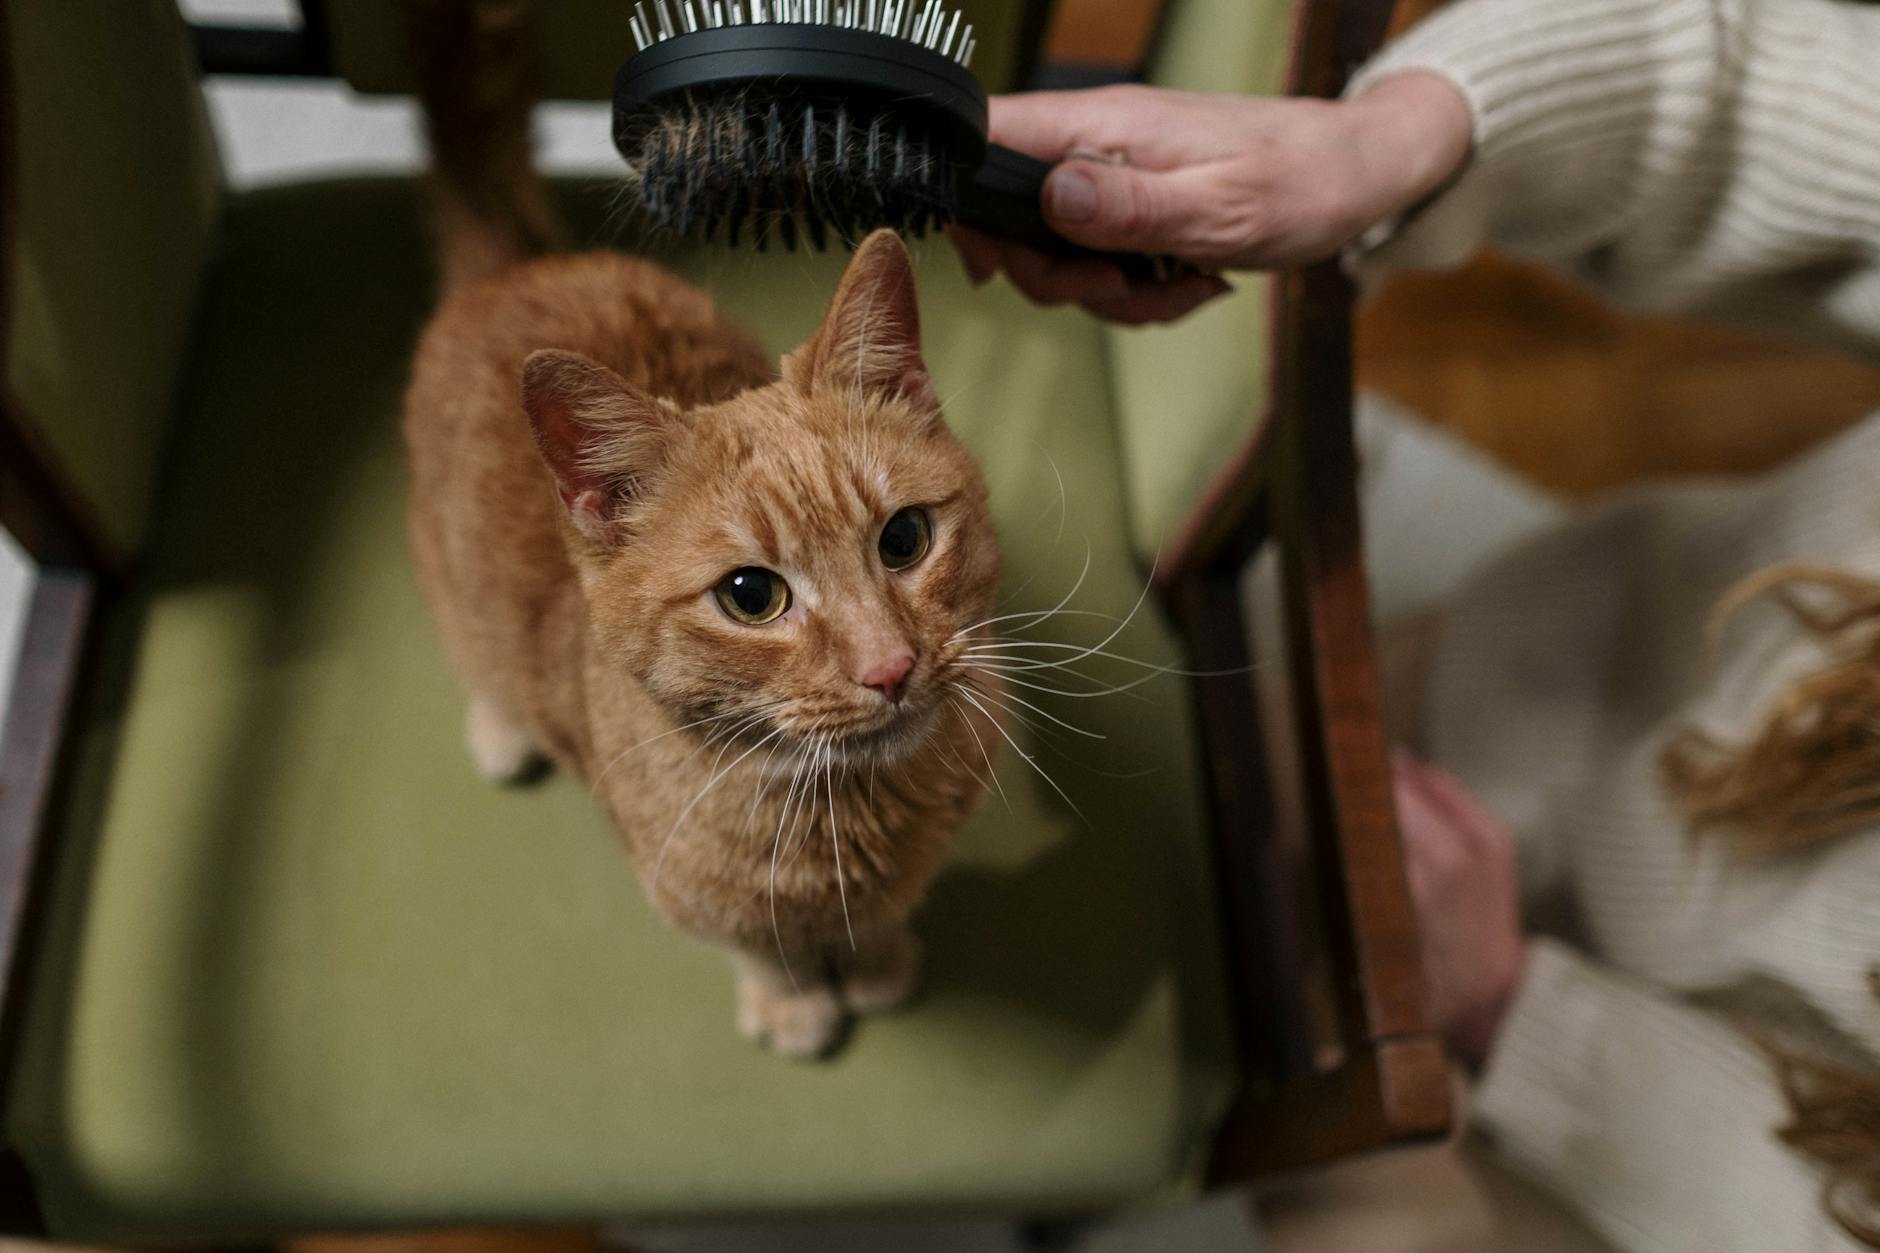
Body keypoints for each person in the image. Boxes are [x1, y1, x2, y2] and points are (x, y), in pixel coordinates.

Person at [954, 0, 1880, 1248]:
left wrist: (1521, 1018)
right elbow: (1748, 88)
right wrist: (1392, 140)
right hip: (1581, 669)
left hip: (1660, 1158)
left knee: (1331, 1190)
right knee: (1197, 784)